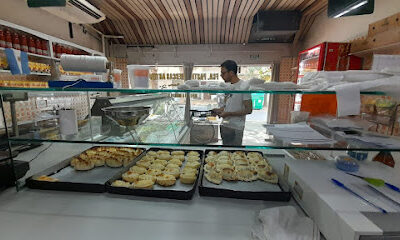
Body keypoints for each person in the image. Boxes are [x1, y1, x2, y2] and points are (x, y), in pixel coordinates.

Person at [212, 60, 252, 146]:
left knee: (235, 154)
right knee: (225, 153)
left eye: (223, 73)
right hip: (225, 125)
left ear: (231, 73)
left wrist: (229, 114)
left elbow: (249, 109)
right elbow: (227, 106)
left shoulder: (244, 86)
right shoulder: (228, 86)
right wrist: (219, 110)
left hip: (236, 127)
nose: (221, 76)